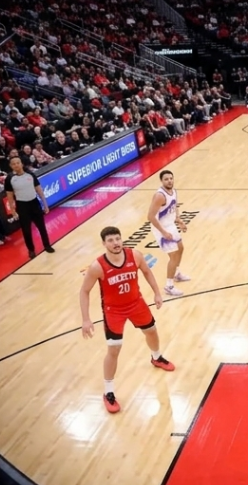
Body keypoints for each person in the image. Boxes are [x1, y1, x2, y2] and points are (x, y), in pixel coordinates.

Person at [79, 226, 175, 414]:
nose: (115, 243)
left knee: (152, 331)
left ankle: (156, 357)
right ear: (104, 244)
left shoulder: (135, 255)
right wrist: (86, 319)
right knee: (114, 349)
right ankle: (108, 392)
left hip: (136, 303)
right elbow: (84, 291)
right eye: (110, 240)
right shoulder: (97, 266)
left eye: (117, 239)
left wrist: (157, 293)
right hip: (113, 311)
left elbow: (147, 272)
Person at [147, 170, 190, 297]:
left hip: (170, 225)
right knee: (173, 255)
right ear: (161, 181)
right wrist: (163, 232)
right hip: (160, 227)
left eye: (171, 178)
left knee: (180, 248)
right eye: (166, 179)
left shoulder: (174, 191)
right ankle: (169, 286)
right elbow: (150, 217)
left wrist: (179, 221)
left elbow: (174, 207)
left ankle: (176, 273)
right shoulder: (160, 196)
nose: (169, 181)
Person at [5, 155, 54, 258]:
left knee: (42, 227)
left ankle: (47, 245)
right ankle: (31, 250)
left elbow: (39, 190)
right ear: (10, 166)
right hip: (22, 206)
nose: (16, 165)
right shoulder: (9, 179)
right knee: (26, 230)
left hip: (34, 203)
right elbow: (9, 196)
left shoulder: (30, 175)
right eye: (13, 164)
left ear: (21, 163)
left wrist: (45, 204)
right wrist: (13, 210)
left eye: (18, 163)